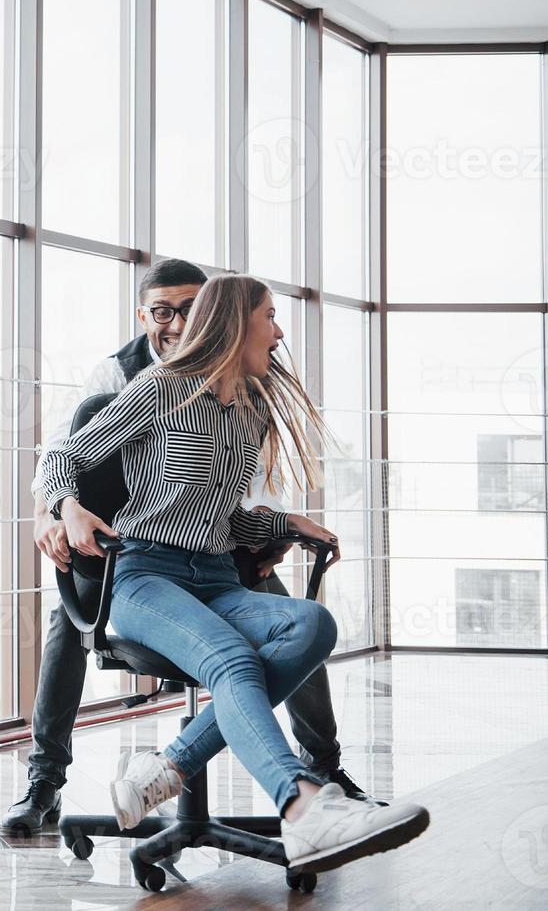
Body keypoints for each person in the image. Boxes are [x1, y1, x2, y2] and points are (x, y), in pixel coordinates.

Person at [49, 274, 429, 873]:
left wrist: (283, 524)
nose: (279, 332)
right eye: (270, 317)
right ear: (235, 323)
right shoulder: (162, 388)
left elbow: (221, 516)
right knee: (233, 660)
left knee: (311, 625)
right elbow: (63, 458)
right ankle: (303, 807)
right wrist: (67, 506)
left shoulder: (248, 412)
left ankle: (168, 766)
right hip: (146, 576)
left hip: (217, 576)